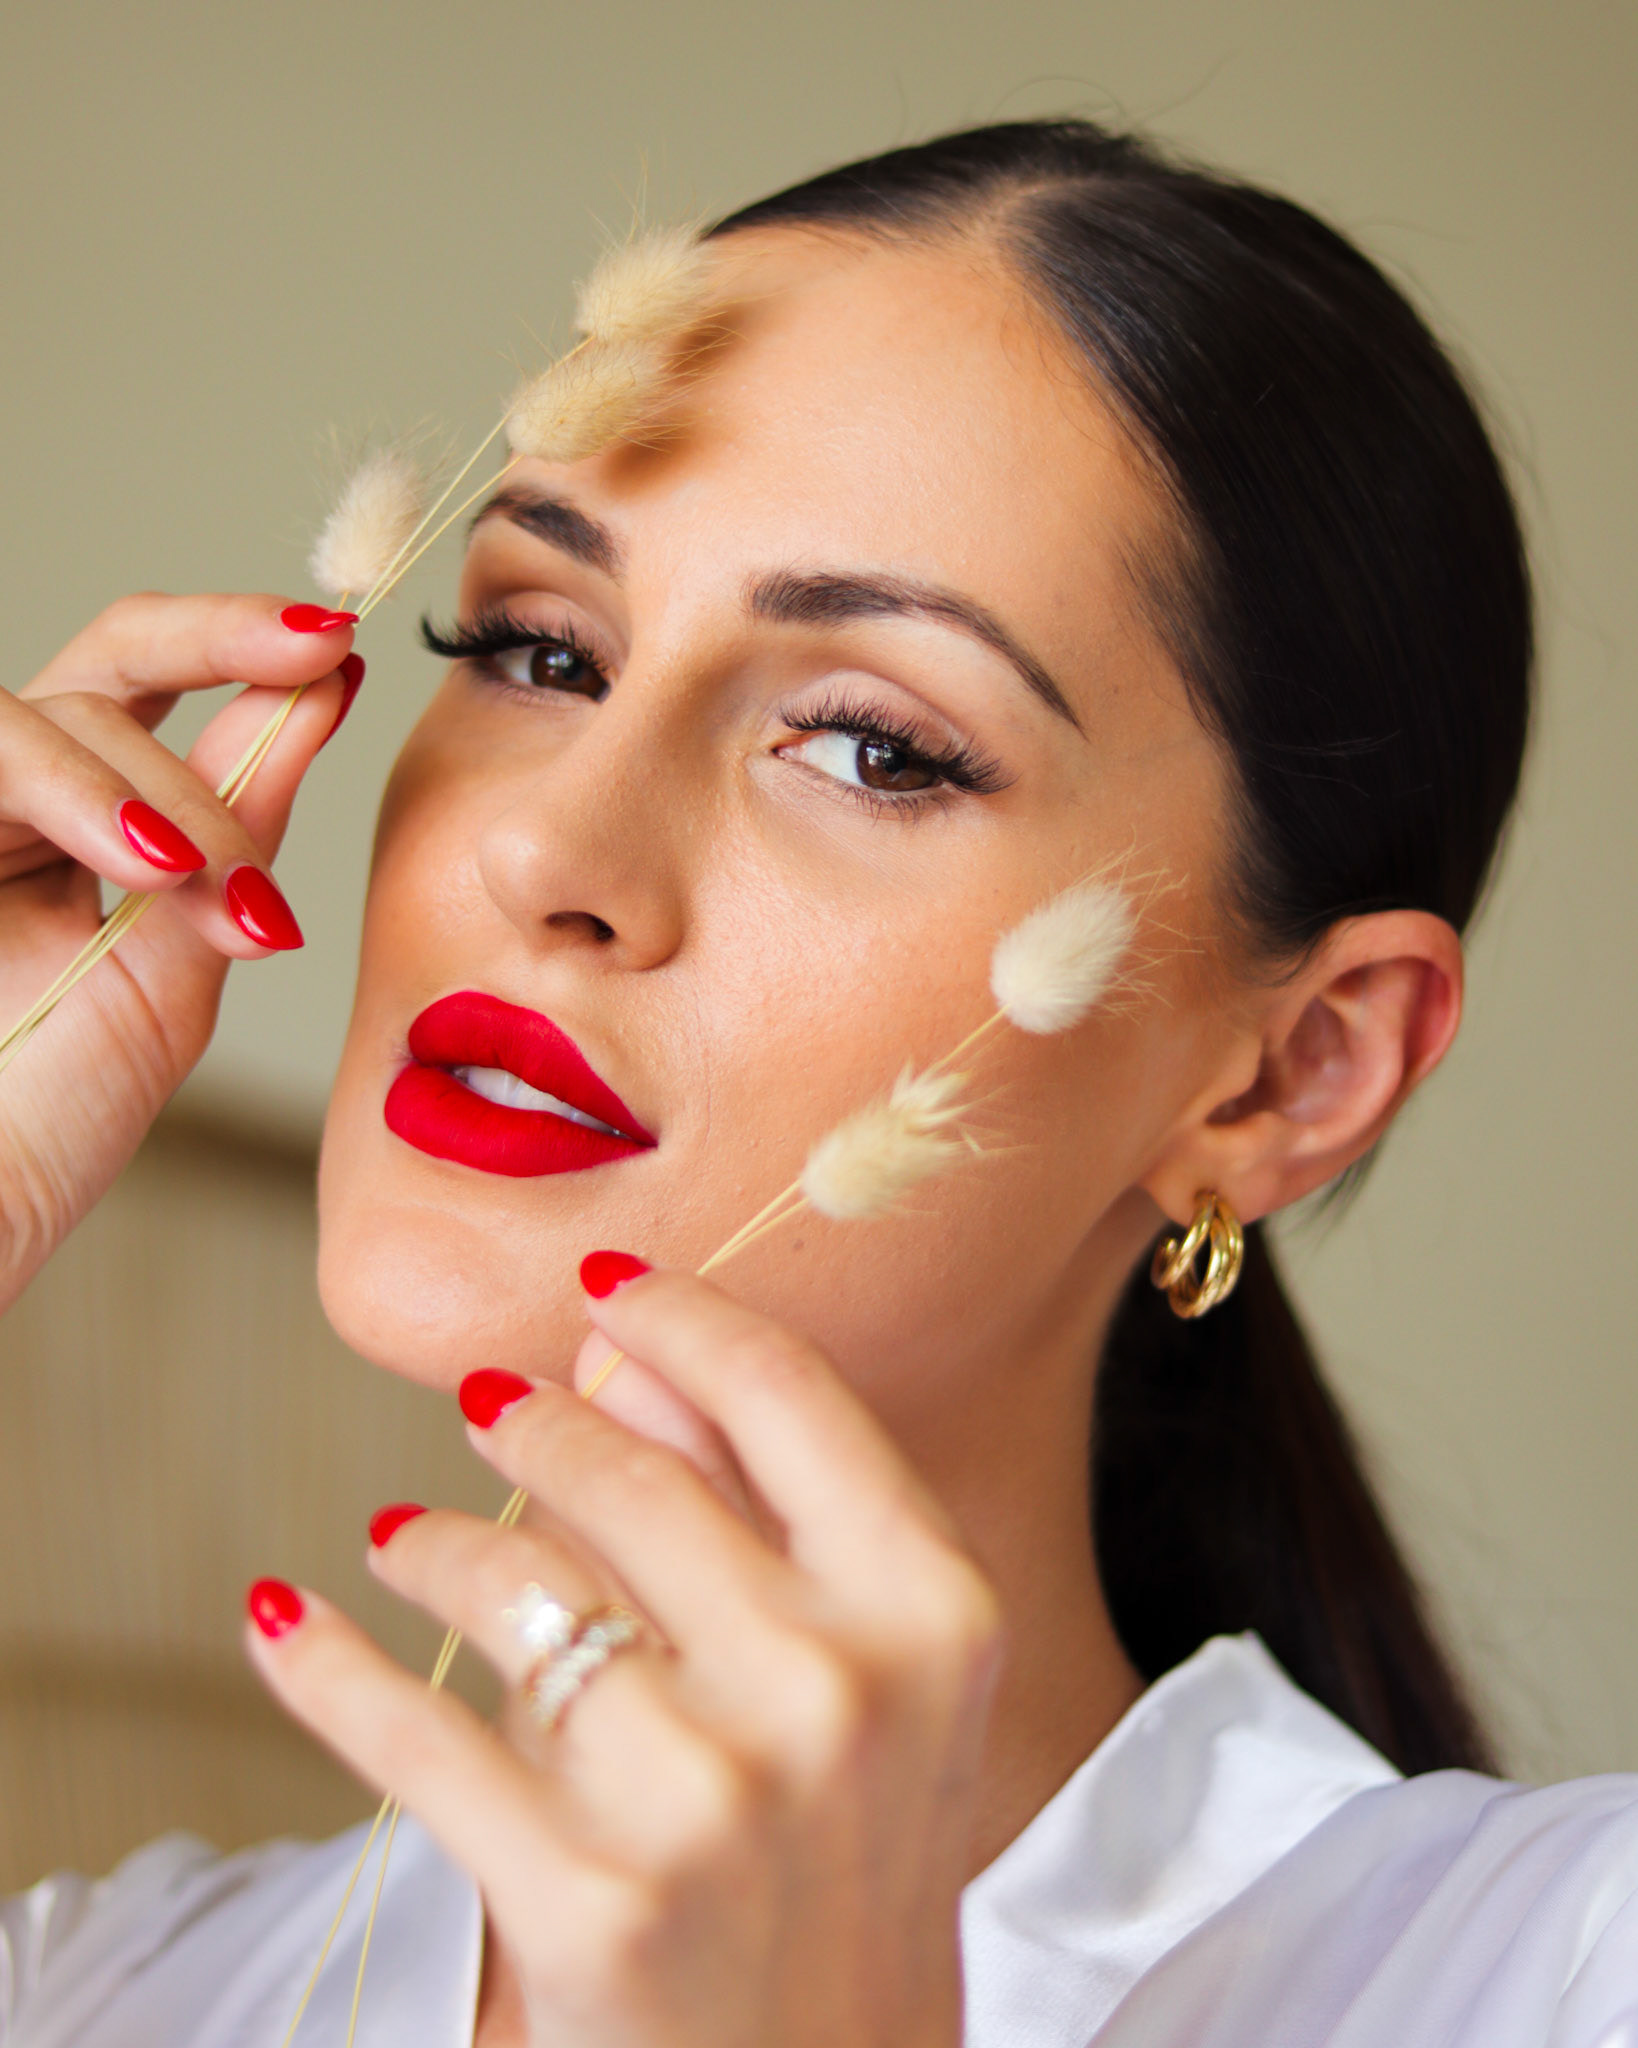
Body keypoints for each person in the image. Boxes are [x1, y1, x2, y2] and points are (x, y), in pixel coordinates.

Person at [1, 119, 1631, 2048]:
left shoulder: (1561, 1971)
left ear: (1293, 1069)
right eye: (538, 648)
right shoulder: (100, 1989)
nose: (547, 853)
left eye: (871, 747)